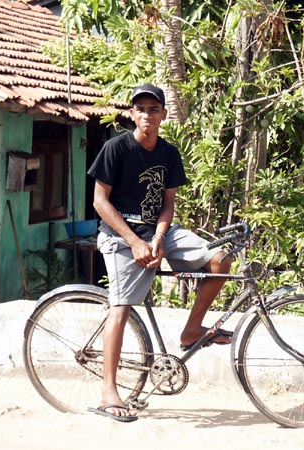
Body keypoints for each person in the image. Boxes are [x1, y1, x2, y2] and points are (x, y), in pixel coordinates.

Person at [87, 83, 232, 422]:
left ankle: (192, 329)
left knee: (220, 259)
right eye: (140, 109)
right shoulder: (115, 148)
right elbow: (99, 202)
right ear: (132, 114)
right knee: (121, 306)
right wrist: (135, 242)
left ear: (164, 115)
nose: (147, 114)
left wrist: (161, 237)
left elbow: (168, 205)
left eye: (154, 109)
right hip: (119, 236)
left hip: (157, 232)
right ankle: (109, 390)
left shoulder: (168, 153)